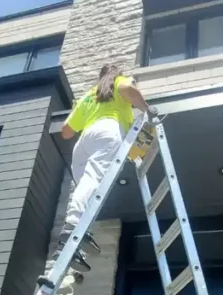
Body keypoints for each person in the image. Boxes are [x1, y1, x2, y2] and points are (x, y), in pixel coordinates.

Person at [59, 63, 154, 271]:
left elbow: (66, 131)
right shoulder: (120, 82)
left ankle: (73, 244)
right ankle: (71, 229)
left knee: (87, 189)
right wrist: (147, 110)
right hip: (108, 132)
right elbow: (131, 91)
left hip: (83, 143)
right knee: (92, 183)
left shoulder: (90, 95)